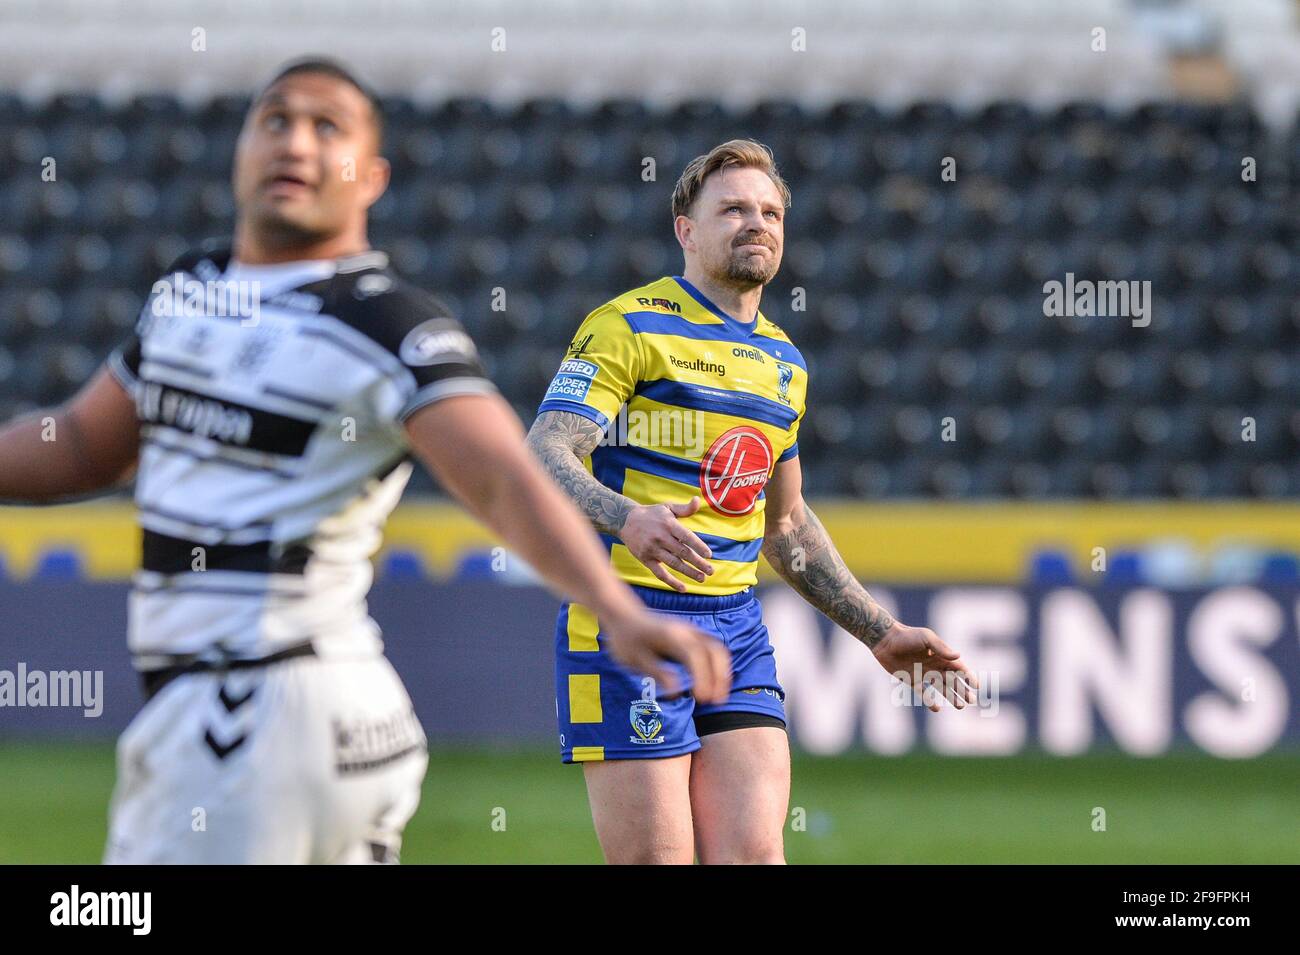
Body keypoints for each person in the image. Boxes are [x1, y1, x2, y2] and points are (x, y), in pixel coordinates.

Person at [0, 58, 730, 864]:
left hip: (256, 709)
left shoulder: (383, 321)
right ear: (240, 147)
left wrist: (617, 609)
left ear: (372, 177)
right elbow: (79, 443)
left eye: (328, 127)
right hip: (307, 717)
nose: (296, 143)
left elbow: (499, 476)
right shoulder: (189, 289)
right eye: (275, 119)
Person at [526, 139, 978, 864]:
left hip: (736, 626)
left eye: (769, 211)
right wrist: (623, 515)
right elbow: (545, 450)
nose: (755, 223)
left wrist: (880, 631)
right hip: (629, 621)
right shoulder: (627, 325)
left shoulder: (784, 363)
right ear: (686, 229)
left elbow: (787, 525)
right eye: (732, 208)